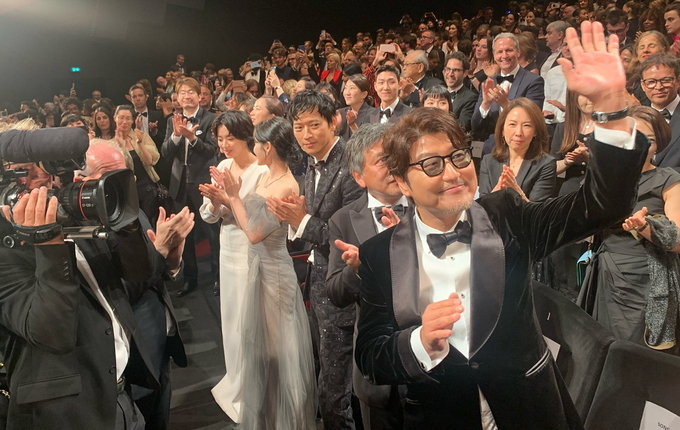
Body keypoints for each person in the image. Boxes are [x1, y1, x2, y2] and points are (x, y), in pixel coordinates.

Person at [354, 21, 649, 429]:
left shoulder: (506, 215)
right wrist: (418, 342)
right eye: (432, 165)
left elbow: (601, 206)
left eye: (459, 157)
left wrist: (612, 111)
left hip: (531, 412)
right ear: (403, 182)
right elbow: (370, 355)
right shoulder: (377, 254)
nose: (454, 173)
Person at [0, 127, 191, 430]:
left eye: (46, 167)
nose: (44, 179)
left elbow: (138, 274)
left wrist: (123, 215)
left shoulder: (75, 216)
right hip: (65, 414)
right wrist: (48, 244)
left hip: (121, 393)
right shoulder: (5, 248)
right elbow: (51, 331)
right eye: (27, 171)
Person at [266, 90, 364, 430]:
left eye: (314, 125)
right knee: (331, 382)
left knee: (334, 395)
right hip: (318, 281)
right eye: (299, 127)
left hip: (343, 290)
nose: (306, 135)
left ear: (334, 121)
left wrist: (302, 221)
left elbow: (349, 238)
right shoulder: (310, 162)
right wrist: (301, 217)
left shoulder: (351, 167)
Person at [217, 117, 316, 428]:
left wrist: (233, 197)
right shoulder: (266, 177)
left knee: (278, 355)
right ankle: (267, 418)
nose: (254, 148)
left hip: (274, 274)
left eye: (257, 143)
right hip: (257, 270)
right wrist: (228, 199)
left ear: (268, 147)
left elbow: (254, 233)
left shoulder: (286, 184)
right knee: (261, 353)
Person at [327, 123, 408, 430]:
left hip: (432, 358)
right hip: (377, 361)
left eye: (396, 156)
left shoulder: (428, 205)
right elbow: (335, 293)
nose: (393, 165)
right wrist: (358, 269)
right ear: (359, 176)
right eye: (382, 160)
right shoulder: (343, 220)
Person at [580, 106, 680, 353]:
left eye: (649, 140)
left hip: (645, 282)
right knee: (601, 351)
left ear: (658, 145)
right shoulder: (603, 178)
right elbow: (575, 223)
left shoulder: (668, 179)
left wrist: (646, 227)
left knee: (636, 358)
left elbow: (678, 241)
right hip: (605, 274)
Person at [198, 111, 268, 420]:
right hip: (226, 250)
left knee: (250, 320)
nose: (225, 145)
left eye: (230, 138)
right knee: (230, 318)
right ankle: (236, 377)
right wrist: (214, 201)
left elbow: (258, 222)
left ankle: (255, 385)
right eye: (220, 139)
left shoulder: (261, 171)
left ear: (246, 137)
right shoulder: (224, 166)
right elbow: (208, 216)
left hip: (251, 250)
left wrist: (228, 199)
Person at [161, 77, 220, 297]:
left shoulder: (211, 119)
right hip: (179, 185)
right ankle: (189, 280)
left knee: (212, 234)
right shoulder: (172, 121)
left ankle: (218, 278)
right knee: (184, 235)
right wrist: (177, 136)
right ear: (176, 97)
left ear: (199, 95)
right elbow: (165, 153)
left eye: (191, 92)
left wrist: (192, 137)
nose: (186, 96)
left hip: (203, 183)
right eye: (182, 93)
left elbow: (211, 151)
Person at [472, 32, 545, 149]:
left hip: (523, 147)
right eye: (499, 52)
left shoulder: (533, 81)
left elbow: (533, 118)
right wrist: (486, 104)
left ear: (518, 52)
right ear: (494, 55)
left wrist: (505, 104)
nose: (504, 56)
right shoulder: (488, 83)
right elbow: (475, 125)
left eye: (509, 50)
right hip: (492, 148)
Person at [479, 98, 556, 202]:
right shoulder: (488, 161)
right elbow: (481, 206)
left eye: (526, 125)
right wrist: (497, 191)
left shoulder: (546, 164)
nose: (518, 133)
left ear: (535, 131)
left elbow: (537, 210)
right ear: (502, 129)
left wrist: (516, 191)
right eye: (512, 124)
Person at [114, 105, 164, 225]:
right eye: (121, 118)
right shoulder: (110, 141)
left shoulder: (141, 135)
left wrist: (140, 143)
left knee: (150, 223)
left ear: (133, 120)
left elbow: (150, 161)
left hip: (147, 188)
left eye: (128, 118)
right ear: (115, 118)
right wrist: (120, 145)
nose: (124, 122)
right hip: (125, 191)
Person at [639, 53, 680, 169]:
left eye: (666, 80)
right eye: (651, 82)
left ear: (678, 81)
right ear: (643, 85)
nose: (658, 87)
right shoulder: (635, 120)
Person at [443, 52, 478, 132]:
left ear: (465, 73)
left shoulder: (470, 98)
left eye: (456, 70)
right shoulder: (437, 93)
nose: (450, 74)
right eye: (448, 69)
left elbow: (461, 127)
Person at [337, 74, 377, 141]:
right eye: (346, 88)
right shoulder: (340, 113)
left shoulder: (374, 114)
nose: (347, 93)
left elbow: (368, 143)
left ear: (364, 94)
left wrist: (352, 125)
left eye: (352, 88)